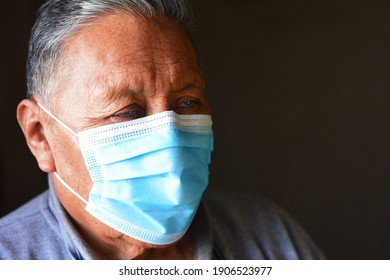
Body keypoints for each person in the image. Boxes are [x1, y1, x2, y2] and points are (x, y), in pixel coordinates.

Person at [0, 0, 325, 260]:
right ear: (39, 135)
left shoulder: (269, 236)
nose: (169, 135)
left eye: (187, 102)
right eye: (127, 112)